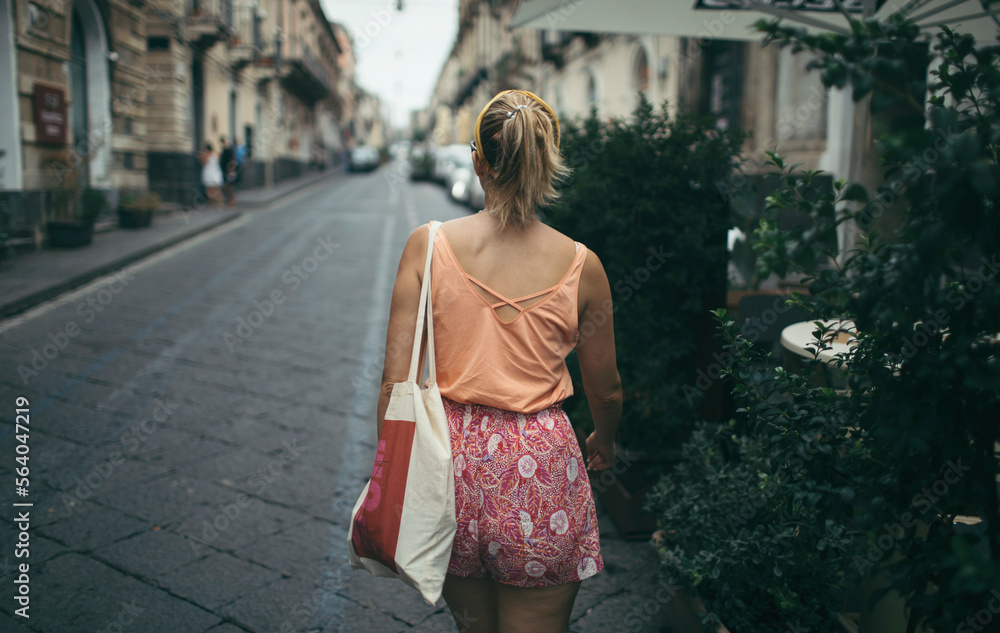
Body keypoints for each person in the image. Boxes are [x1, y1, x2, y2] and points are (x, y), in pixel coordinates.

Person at [377, 89, 622, 633]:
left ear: (477, 162)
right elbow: (605, 390)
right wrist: (604, 438)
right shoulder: (585, 266)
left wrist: (393, 475)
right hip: (542, 471)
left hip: (452, 469)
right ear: (547, 160)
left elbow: (396, 382)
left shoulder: (428, 245)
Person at [199, 142, 223, 208]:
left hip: (208, 173)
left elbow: (203, 164)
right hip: (216, 172)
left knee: (209, 189)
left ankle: (211, 202)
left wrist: (201, 158)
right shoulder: (215, 154)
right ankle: (219, 202)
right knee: (217, 189)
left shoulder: (206, 155)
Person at [219, 136, 237, 207]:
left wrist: (231, 171)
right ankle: (230, 200)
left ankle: (231, 201)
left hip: (228, 171)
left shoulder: (229, 150)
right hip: (224, 171)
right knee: (227, 186)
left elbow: (233, 161)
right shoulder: (224, 150)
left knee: (229, 186)